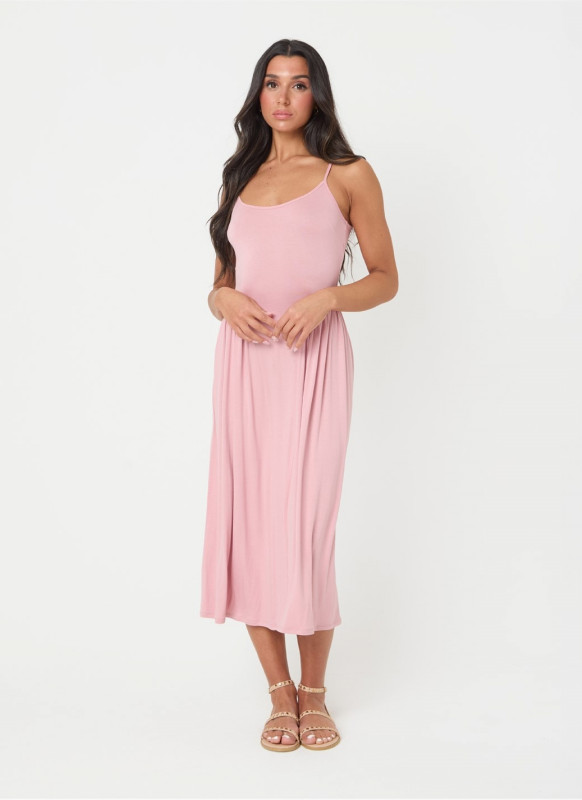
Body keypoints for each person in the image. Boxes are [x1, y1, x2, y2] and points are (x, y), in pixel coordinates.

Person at [200, 39, 398, 752]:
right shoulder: (240, 176)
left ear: (318, 95)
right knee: (251, 527)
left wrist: (328, 298)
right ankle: (278, 692)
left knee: (305, 530)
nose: (283, 97)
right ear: (258, 95)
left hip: (314, 364)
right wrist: (223, 302)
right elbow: (220, 284)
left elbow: (386, 276)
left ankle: (315, 693)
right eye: (272, 83)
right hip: (246, 367)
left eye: (299, 84)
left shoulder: (348, 174)